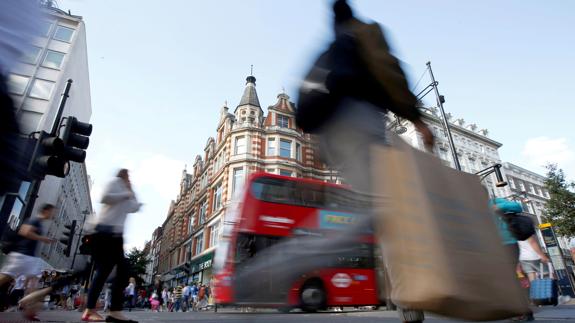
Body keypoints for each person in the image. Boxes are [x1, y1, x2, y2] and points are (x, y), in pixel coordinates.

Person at [297, 1, 433, 322]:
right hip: (362, 120)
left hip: (335, 132)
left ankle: (408, 302)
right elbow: (388, 71)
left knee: (379, 213)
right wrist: (417, 119)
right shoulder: (366, 32)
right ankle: (273, 269)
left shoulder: (329, 49)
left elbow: (316, 94)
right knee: (387, 214)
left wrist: (321, 145)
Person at [80, 169, 142, 323]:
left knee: (120, 271)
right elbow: (104, 198)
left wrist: (130, 191)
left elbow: (135, 207)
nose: (130, 178)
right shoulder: (115, 183)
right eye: (128, 175)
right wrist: (125, 194)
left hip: (116, 235)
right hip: (104, 231)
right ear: (123, 175)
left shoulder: (127, 190)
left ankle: (114, 311)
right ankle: (93, 310)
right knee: (105, 271)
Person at [0, 203, 56, 320]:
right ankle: (30, 310)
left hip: (30, 258)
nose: (53, 214)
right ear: (46, 211)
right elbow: (24, 232)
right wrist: (43, 239)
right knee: (5, 278)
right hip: (21, 255)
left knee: (33, 284)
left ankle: (30, 311)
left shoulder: (39, 223)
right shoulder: (34, 220)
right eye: (52, 212)